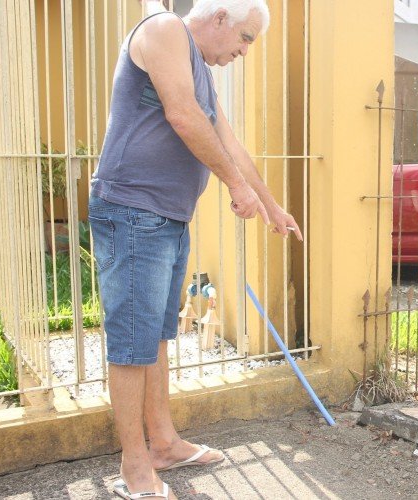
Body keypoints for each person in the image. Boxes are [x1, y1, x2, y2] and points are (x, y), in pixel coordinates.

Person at [88, 1, 301, 498]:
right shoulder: (163, 30)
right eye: (246, 38)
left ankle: (162, 443)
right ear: (221, 17)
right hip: (131, 209)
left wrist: (270, 205)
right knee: (131, 342)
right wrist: (235, 188)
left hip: (165, 216)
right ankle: (134, 467)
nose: (244, 52)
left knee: (157, 335)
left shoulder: (199, 69)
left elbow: (230, 143)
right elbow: (182, 116)